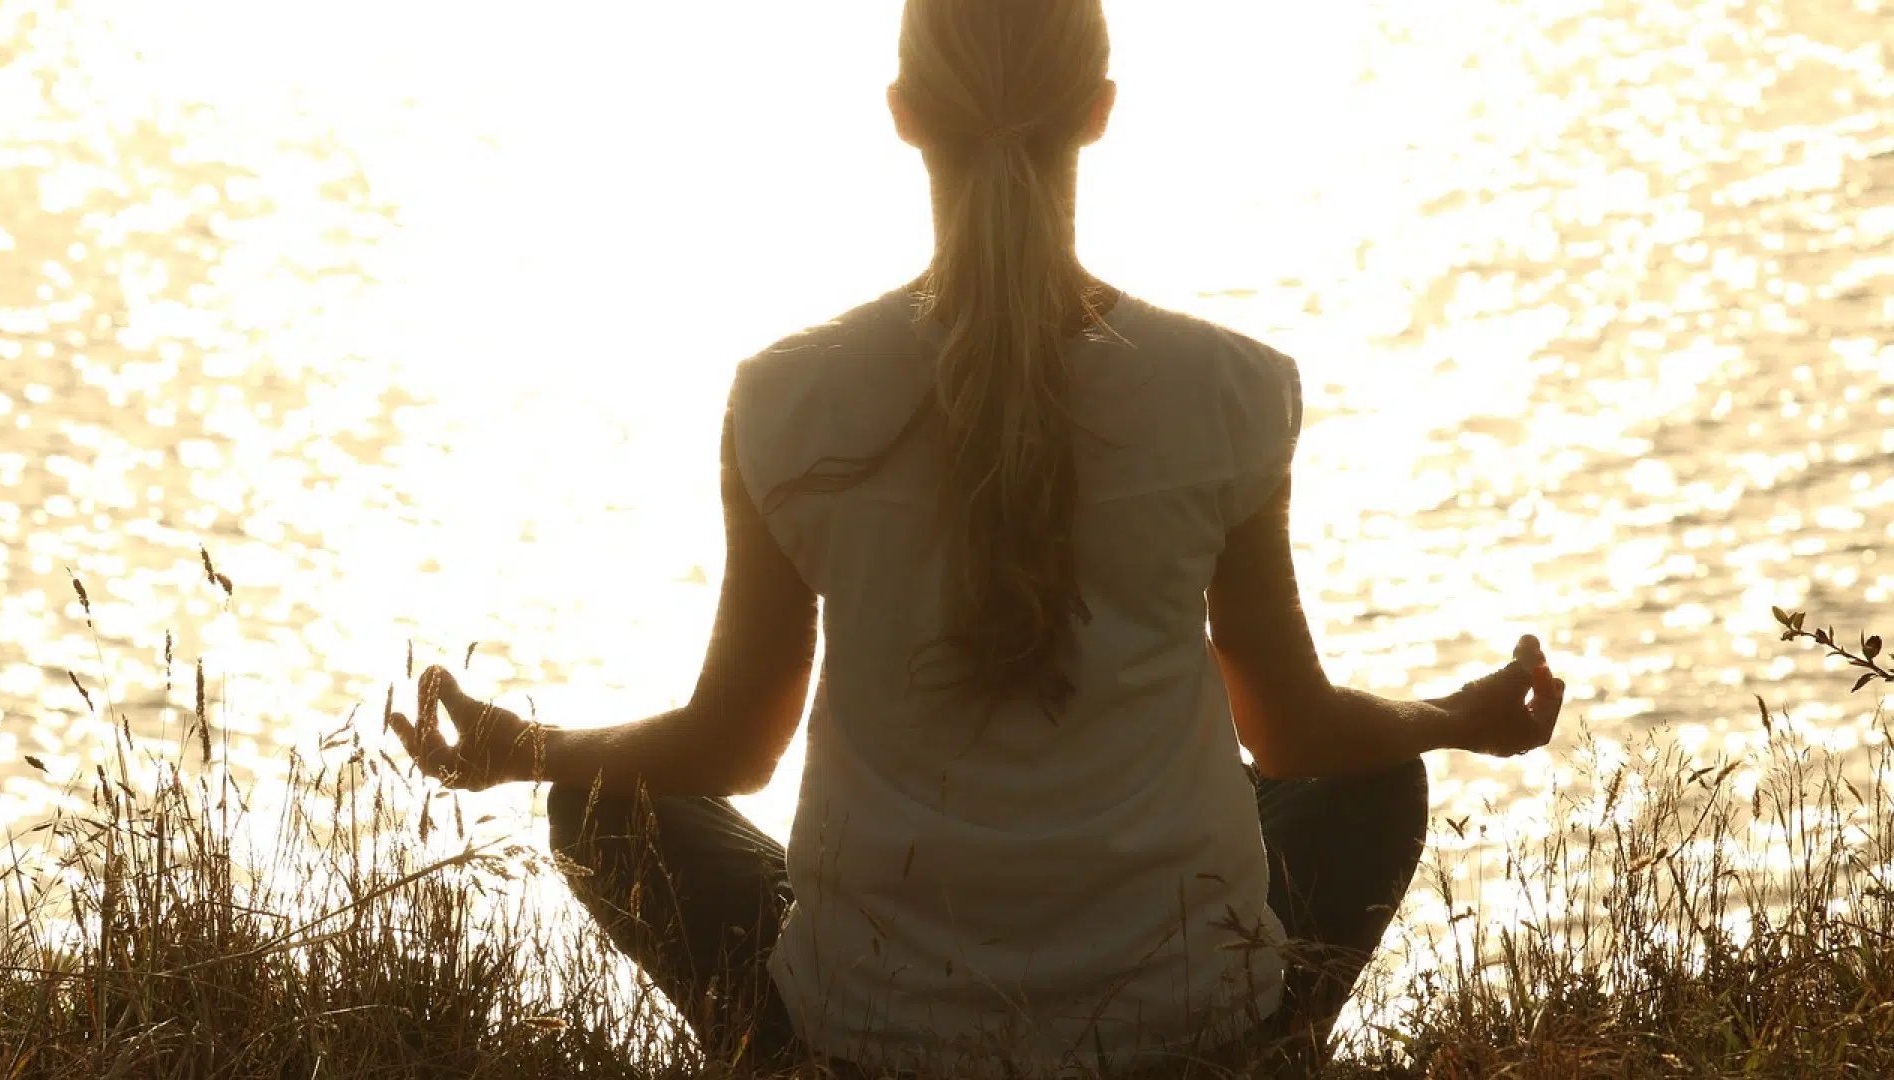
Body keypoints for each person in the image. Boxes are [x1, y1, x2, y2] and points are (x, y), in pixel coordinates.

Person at [386, 1, 1565, 1075]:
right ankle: (1250, 1053)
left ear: (903, 118)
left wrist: (520, 745)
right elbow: (1293, 730)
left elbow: (732, 748)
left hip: (873, 1028)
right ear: (1100, 114)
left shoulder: (787, 399)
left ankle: (787, 1058)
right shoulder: (1232, 390)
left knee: (599, 804)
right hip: (1177, 1016)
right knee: (1370, 784)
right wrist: (1452, 721)